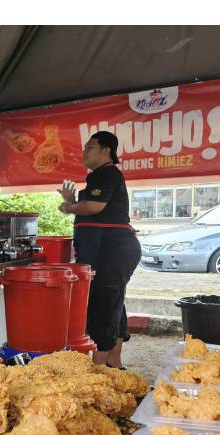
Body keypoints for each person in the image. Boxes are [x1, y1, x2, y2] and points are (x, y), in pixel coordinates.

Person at [57, 131, 141, 368]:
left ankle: (99, 366)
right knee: (112, 300)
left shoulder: (107, 173)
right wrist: (73, 201)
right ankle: (114, 361)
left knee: (103, 303)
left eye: (90, 147)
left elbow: (93, 207)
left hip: (112, 248)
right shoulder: (98, 177)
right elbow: (90, 206)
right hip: (108, 248)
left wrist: (69, 206)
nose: (84, 152)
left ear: (106, 150)